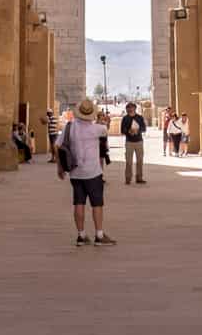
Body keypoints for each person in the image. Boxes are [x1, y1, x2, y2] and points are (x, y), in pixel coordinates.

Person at [56, 98, 113, 246]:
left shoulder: (70, 127)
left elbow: (58, 146)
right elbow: (105, 129)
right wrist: (105, 120)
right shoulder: (96, 129)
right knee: (97, 204)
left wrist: (60, 167)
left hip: (75, 172)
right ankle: (99, 235)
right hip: (93, 172)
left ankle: (81, 235)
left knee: (78, 203)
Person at [120, 101, 148, 185]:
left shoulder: (139, 117)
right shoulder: (125, 118)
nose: (129, 109)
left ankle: (139, 178)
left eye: (131, 108)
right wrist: (129, 131)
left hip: (139, 141)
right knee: (128, 161)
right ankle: (128, 178)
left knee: (140, 160)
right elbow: (122, 130)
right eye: (128, 108)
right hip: (129, 142)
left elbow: (144, 128)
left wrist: (137, 130)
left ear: (134, 108)